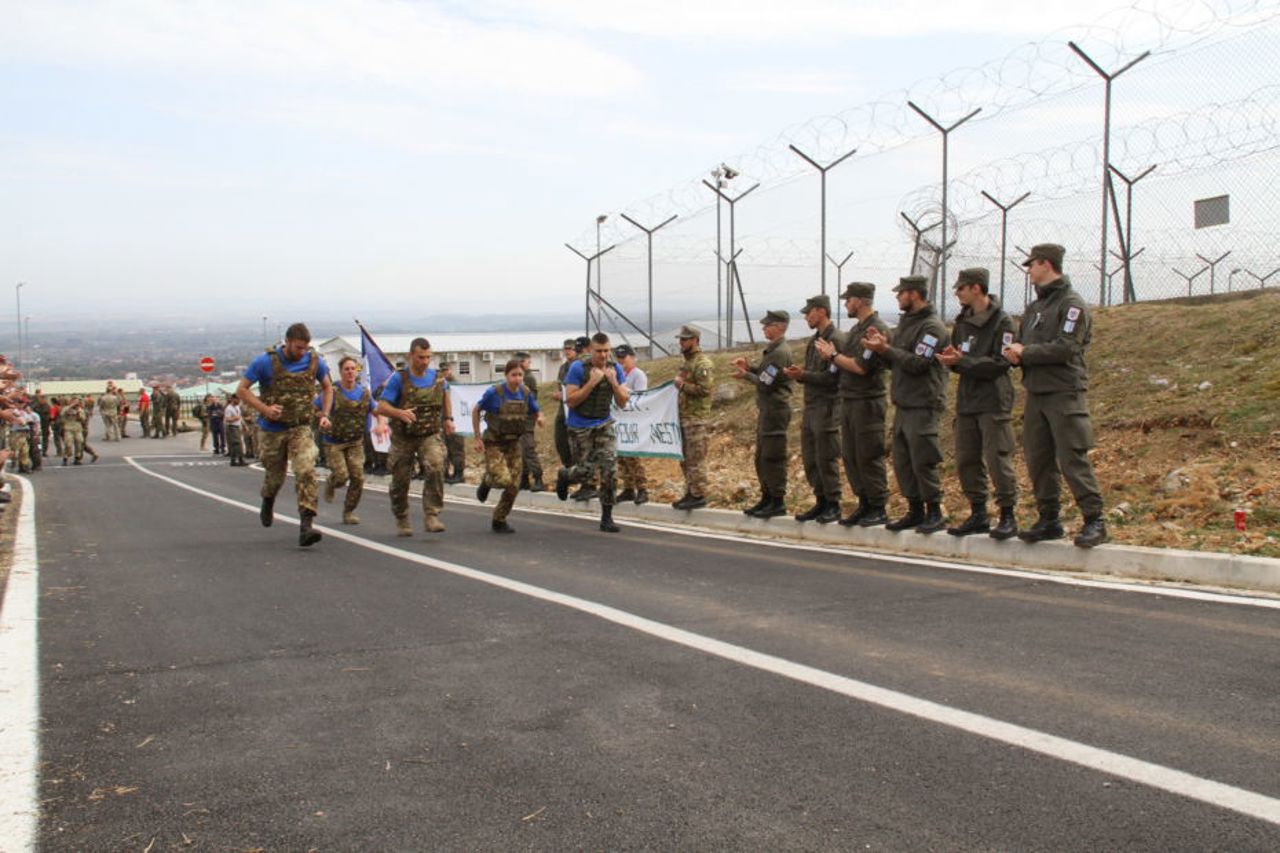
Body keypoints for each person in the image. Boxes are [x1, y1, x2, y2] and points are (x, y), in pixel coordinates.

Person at [1003, 243, 1108, 548]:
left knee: (1072, 456)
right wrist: (1015, 354)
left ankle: (1094, 519)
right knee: (1039, 459)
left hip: (1063, 391)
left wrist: (1027, 352)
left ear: (1046, 264)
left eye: (1032, 264)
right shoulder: (1035, 308)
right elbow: (1022, 343)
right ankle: (1049, 518)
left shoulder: (1071, 304)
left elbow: (1067, 347)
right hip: (1036, 391)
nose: (1028, 270)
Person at [937, 267, 1019, 539]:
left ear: (976, 288)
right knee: (966, 459)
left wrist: (963, 362)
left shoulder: (1002, 322)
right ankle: (978, 512)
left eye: (961, 288)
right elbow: (961, 358)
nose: (957, 293)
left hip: (993, 399)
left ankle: (1008, 514)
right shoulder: (962, 322)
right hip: (968, 399)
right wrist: (954, 361)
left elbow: (1000, 363)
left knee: (997, 458)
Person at [863, 275, 949, 534]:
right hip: (904, 403)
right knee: (903, 461)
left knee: (923, 459)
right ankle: (915, 510)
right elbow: (896, 362)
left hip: (923, 402)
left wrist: (886, 350)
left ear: (914, 294)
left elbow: (918, 364)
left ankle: (934, 510)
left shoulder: (932, 328)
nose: (898, 297)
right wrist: (882, 349)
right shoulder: (906, 325)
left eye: (902, 293)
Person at [238, 322, 333, 547]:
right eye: (298, 347)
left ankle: (306, 525)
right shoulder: (265, 362)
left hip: (300, 427)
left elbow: (328, 387)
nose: (301, 352)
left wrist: (325, 414)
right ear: (287, 342)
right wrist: (265, 409)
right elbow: (242, 389)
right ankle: (268, 499)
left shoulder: (314, 361)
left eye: (305, 348)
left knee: (306, 470)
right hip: (272, 430)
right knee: (275, 476)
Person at [817, 282, 891, 527]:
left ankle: (878, 505)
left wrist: (833, 356)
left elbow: (860, 366)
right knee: (851, 456)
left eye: (848, 300)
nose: (846, 304)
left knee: (868, 455)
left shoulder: (875, 330)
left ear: (859, 300)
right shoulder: (857, 330)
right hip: (850, 399)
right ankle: (864, 502)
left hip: (867, 402)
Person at [376, 337, 454, 536]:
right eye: (421, 357)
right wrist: (399, 413)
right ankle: (402, 516)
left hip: (429, 434)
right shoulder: (399, 379)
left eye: (428, 357)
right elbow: (381, 407)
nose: (425, 361)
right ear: (411, 356)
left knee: (436, 465)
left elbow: (445, 394)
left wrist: (448, 418)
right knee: (401, 479)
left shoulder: (437, 377)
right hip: (404, 437)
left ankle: (432, 514)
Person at [554, 332, 630, 532]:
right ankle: (565, 475)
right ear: (591, 350)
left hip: (604, 424)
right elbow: (570, 400)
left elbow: (623, 402)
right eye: (599, 351)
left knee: (609, 469)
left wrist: (614, 383)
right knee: (586, 472)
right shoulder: (578, 368)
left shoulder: (615, 369)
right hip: (580, 426)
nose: (603, 355)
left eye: (606, 351)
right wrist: (591, 383)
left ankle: (607, 518)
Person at [784, 294, 843, 523]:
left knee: (826, 457)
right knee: (812, 458)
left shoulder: (834, 339)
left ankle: (833, 503)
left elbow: (833, 377)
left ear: (821, 311)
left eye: (809, 312)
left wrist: (803, 375)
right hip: (812, 406)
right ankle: (821, 501)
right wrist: (802, 374)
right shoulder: (815, 340)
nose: (807, 316)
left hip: (827, 406)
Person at [732, 310, 794, 519]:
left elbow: (766, 384)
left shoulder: (779, 352)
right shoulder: (774, 350)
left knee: (772, 456)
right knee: (762, 457)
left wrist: (746, 375)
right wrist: (750, 367)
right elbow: (766, 374)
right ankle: (767, 497)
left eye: (768, 325)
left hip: (775, 410)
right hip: (768, 410)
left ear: (779, 327)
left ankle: (777, 500)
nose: (764, 328)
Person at [473, 358, 545, 533]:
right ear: (506, 375)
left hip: (513, 443)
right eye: (514, 375)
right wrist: (477, 438)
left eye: (520, 375)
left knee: (514, 484)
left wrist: (540, 418)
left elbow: (536, 410)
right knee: (503, 479)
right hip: (494, 443)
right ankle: (488, 481)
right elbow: (476, 410)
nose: (518, 378)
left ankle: (499, 519)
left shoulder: (526, 393)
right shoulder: (494, 393)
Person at [316, 356, 375, 524]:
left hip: (355, 441)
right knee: (342, 476)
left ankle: (348, 511)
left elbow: (376, 410)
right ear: (341, 372)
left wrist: (383, 423)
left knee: (358, 477)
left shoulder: (363, 393)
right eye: (346, 369)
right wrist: (322, 417)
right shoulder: (332, 392)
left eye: (353, 369)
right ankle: (332, 482)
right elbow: (315, 408)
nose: (350, 372)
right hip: (334, 441)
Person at [672, 325, 715, 510]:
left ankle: (698, 494)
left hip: (696, 419)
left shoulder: (702, 364)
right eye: (680, 339)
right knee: (686, 458)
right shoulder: (687, 363)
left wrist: (682, 386)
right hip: (684, 417)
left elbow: (705, 390)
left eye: (684, 339)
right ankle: (690, 491)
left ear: (695, 340)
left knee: (696, 458)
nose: (681, 343)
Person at [613, 344, 649, 505]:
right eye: (619, 358)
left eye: (624, 358)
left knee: (633, 457)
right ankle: (628, 488)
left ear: (632, 358)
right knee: (621, 456)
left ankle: (642, 488)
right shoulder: (617, 375)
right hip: (619, 421)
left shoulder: (637, 375)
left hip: (632, 420)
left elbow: (639, 396)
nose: (621, 362)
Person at [516, 351, 546, 492]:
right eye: (527, 361)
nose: (529, 364)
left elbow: (532, 399)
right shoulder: (518, 376)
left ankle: (538, 478)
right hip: (517, 419)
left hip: (526, 418)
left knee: (528, 449)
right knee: (520, 450)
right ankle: (524, 478)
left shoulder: (528, 378)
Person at [439, 363, 467, 484]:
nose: (445, 372)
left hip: (456, 421)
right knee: (444, 448)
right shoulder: (440, 384)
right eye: (443, 370)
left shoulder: (457, 385)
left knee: (456, 448)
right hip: (443, 421)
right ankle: (445, 472)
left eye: (447, 370)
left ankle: (459, 473)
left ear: (451, 370)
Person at [552, 338, 576, 469]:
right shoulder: (563, 367)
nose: (567, 351)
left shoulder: (579, 366)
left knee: (576, 440)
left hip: (576, 408)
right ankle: (568, 465)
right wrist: (559, 395)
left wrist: (565, 395)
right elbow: (559, 386)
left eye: (570, 348)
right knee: (560, 439)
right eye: (565, 349)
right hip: (563, 408)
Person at [224, 394, 246, 466]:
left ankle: (234, 460)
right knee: (237, 444)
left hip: (238, 426)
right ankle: (240, 460)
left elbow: (240, 417)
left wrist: (244, 425)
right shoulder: (228, 408)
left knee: (236, 444)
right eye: (237, 399)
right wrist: (235, 418)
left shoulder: (237, 407)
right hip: (232, 427)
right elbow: (227, 419)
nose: (239, 401)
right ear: (233, 399)